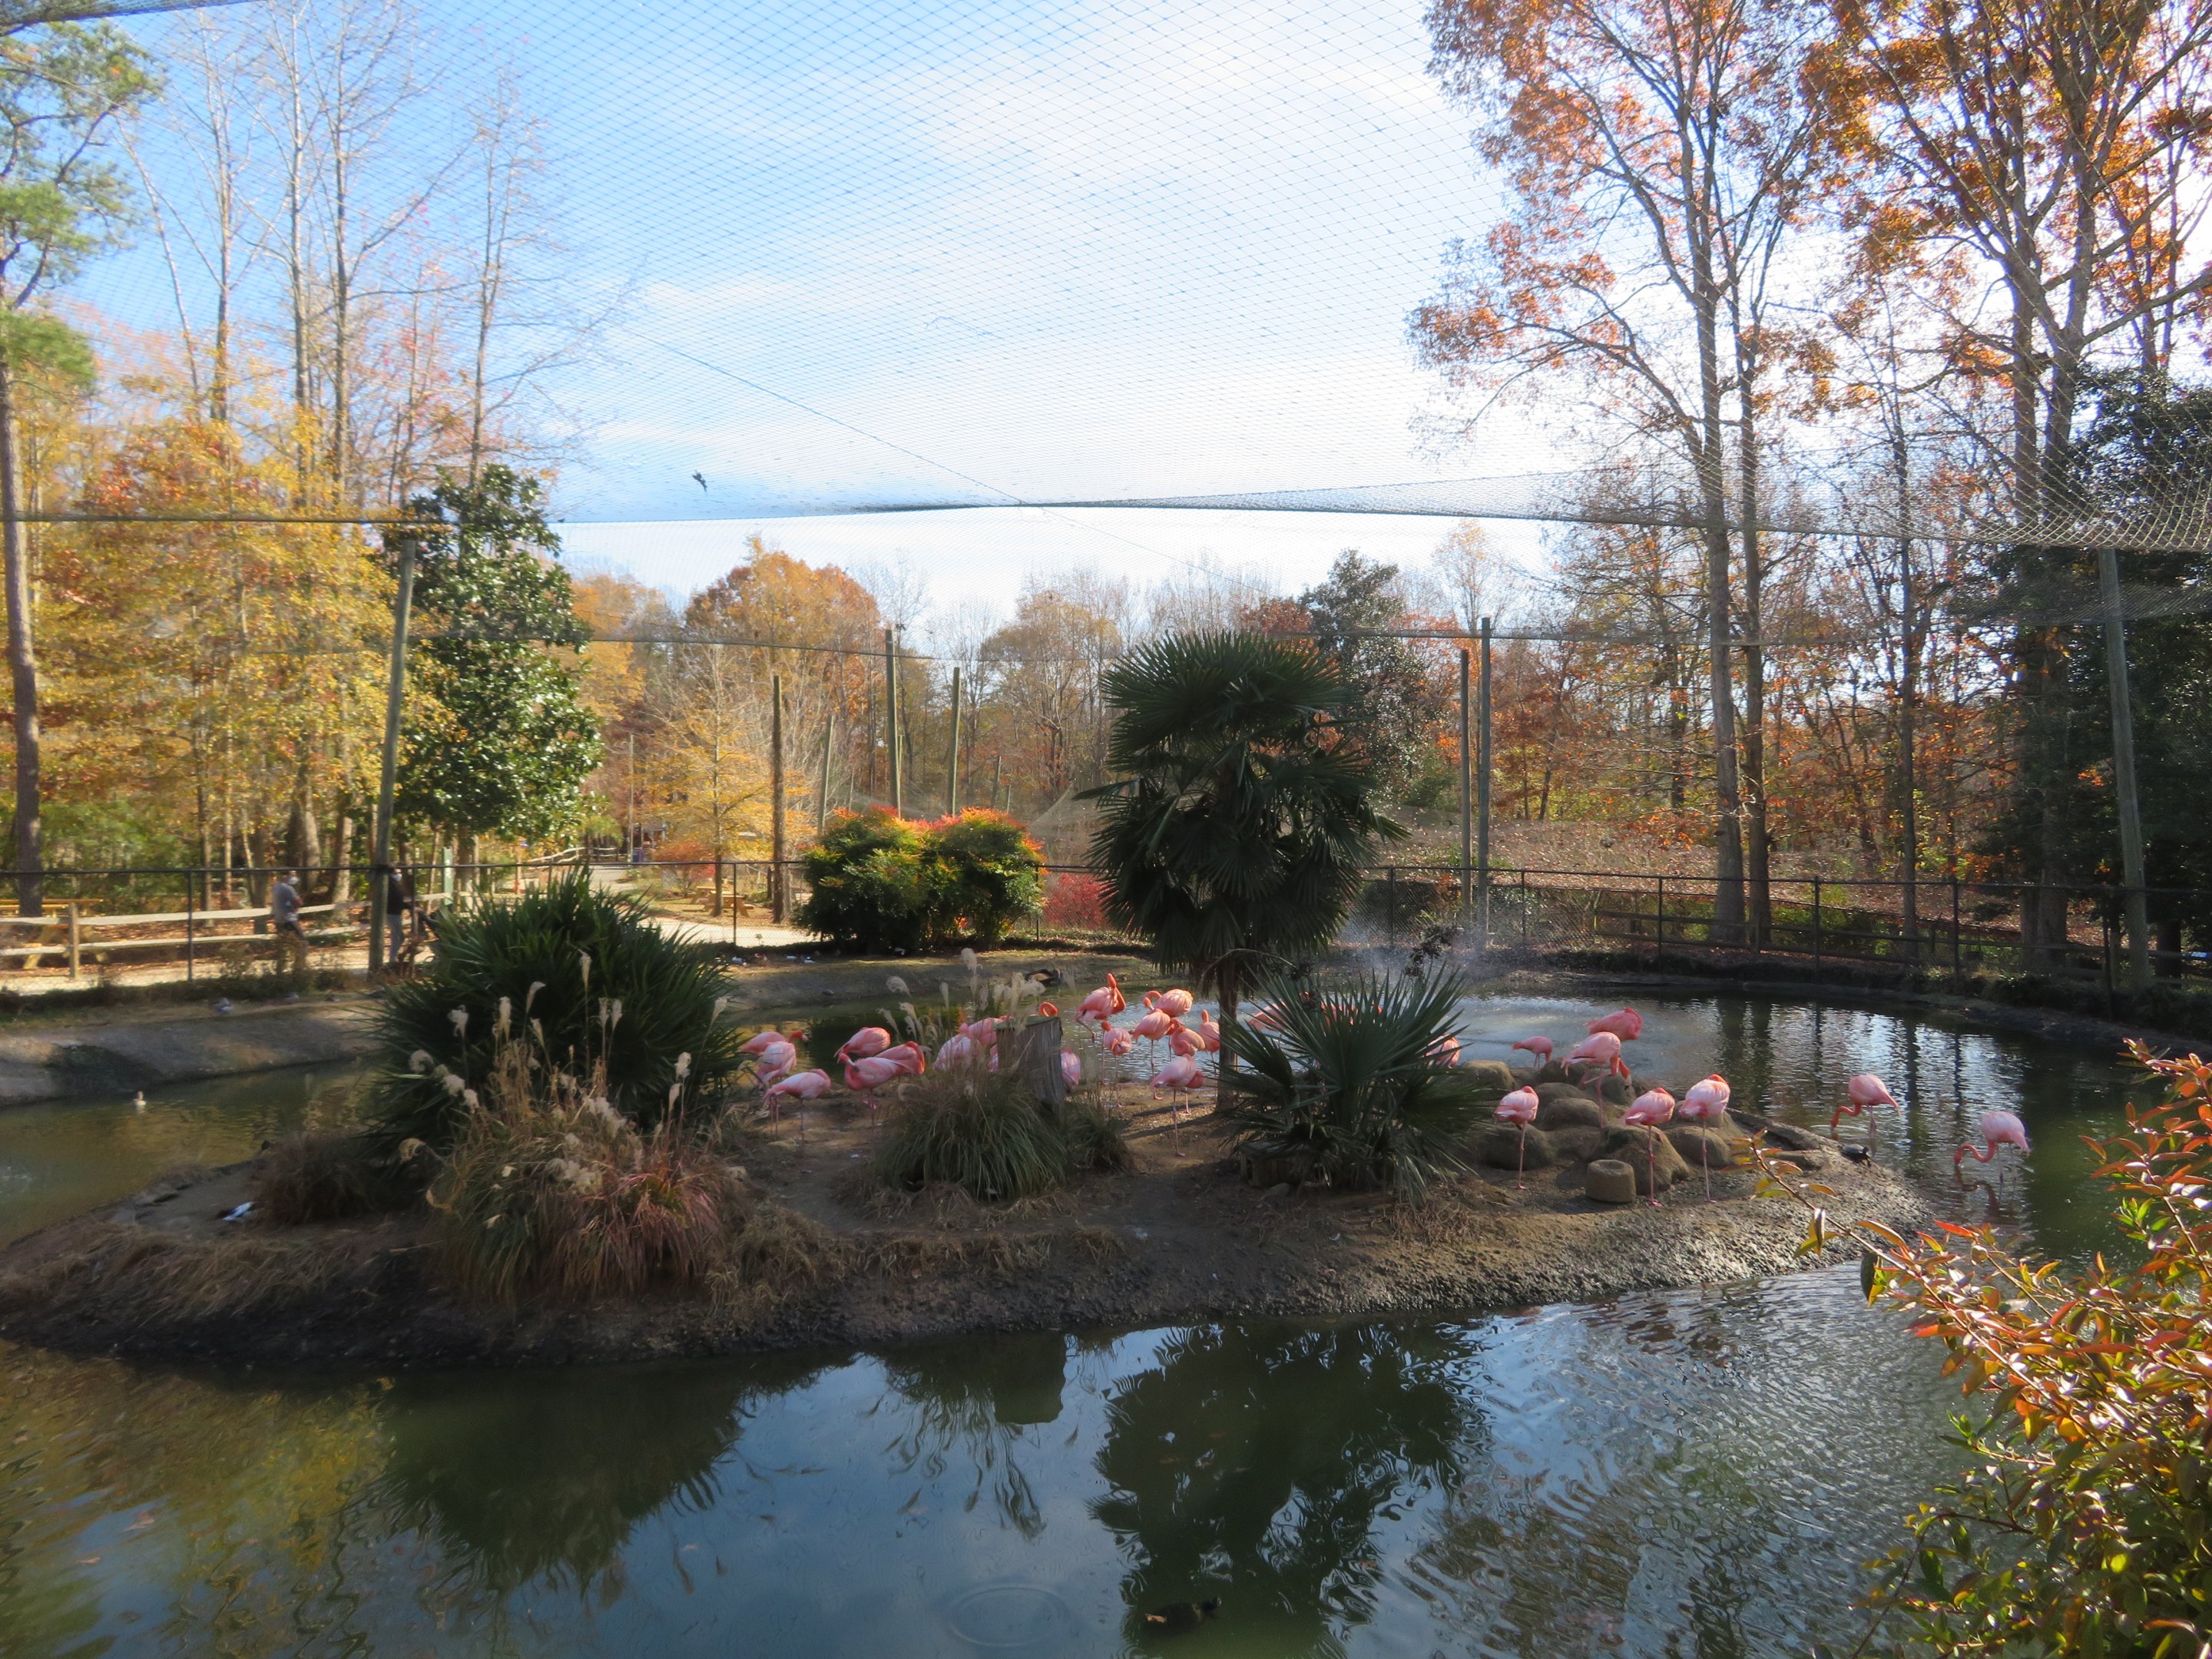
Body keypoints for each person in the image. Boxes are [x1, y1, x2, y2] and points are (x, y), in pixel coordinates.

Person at [270, 870, 308, 981]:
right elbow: (298, 902)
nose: (294, 877)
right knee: (302, 943)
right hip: (289, 919)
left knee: (283, 945)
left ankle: (280, 972)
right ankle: (299, 970)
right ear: (285, 876)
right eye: (292, 875)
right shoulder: (288, 888)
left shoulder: (276, 886)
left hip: (278, 920)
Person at [384, 865, 416, 965]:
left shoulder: (395, 885)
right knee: (397, 937)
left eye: (399, 873)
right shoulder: (391, 886)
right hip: (392, 914)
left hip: (396, 914)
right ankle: (392, 960)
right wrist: (411, 907)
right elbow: (397, 901)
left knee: (399, 937)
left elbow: (400, 902)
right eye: (396, 873)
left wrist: (411, 907)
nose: (398, 875)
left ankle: (393, 958)